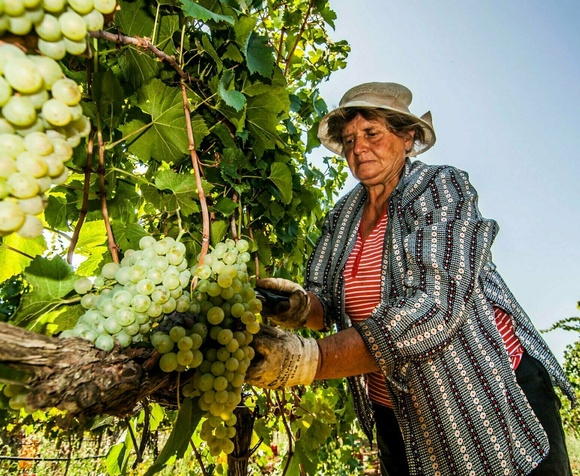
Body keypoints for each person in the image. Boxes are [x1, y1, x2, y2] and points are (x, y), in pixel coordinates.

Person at [245, 82, 577, 476]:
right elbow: (327, 306)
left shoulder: (439, 189)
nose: (357, 148)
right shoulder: (343, 216)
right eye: (349, 139)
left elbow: (432, 308)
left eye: (371, 133)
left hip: (482, 394)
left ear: (407, 137)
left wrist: (309, 360)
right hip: (397, 409)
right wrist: (298, 308)